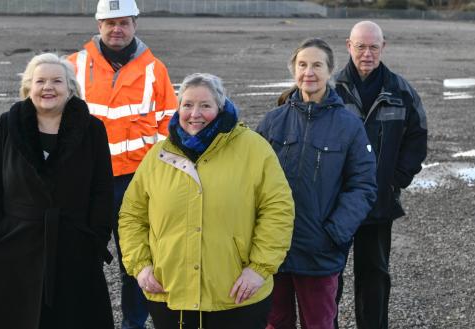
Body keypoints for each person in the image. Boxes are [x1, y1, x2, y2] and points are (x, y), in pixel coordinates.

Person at [119, 73, 295, 329]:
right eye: (187, 105)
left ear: (221, 108)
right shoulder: (159, 155)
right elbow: (132, 215)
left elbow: (278, 210)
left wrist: (259, 268)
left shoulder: (253, 149)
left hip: (236, 294)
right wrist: (141, 266)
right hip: (171, 293)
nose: (195, 113)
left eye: (205, 105)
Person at [0, 53, 115, 328]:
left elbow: (102, 188)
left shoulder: (92, 129)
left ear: (70, 88)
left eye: (57, 81)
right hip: (13, 244)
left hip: (75, 245)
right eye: (40, 81)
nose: (48, 87)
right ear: (28, 88)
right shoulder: (9, 124)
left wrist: (95, 238)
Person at [66, 1, 178, 327]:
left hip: (136, 182)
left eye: (124, 22)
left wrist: (160, 182)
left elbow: (168, 128)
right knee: (82, 258)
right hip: (86, 182)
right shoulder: (74, 65)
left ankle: (134, 323)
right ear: (99, 24)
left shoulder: (154, 69)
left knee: (137, 261)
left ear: (135, 24)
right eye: (110, 22)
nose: (117, 29)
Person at [258, 38, 378, 329]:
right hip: (274, 249)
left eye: (316, 65)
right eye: (302, 65)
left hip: (319, 252)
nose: (308, 72)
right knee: (275, 322)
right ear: (293, 70)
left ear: (330, 71)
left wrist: (335, 232)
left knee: (320, 324)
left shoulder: (349, 125)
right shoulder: (273, 122)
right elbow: (251, 180)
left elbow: (363, 186)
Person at [331, 21, 428, 329]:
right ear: (349, 46)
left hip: (378, 201)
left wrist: (394, 179)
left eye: (374, 47)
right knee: (329, 274)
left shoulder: (401, 90)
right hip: (335, 203)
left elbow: (418, 137)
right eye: (361, 46)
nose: (367, 53)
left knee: (374, 275)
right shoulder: (331, 90)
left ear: (383, 47)